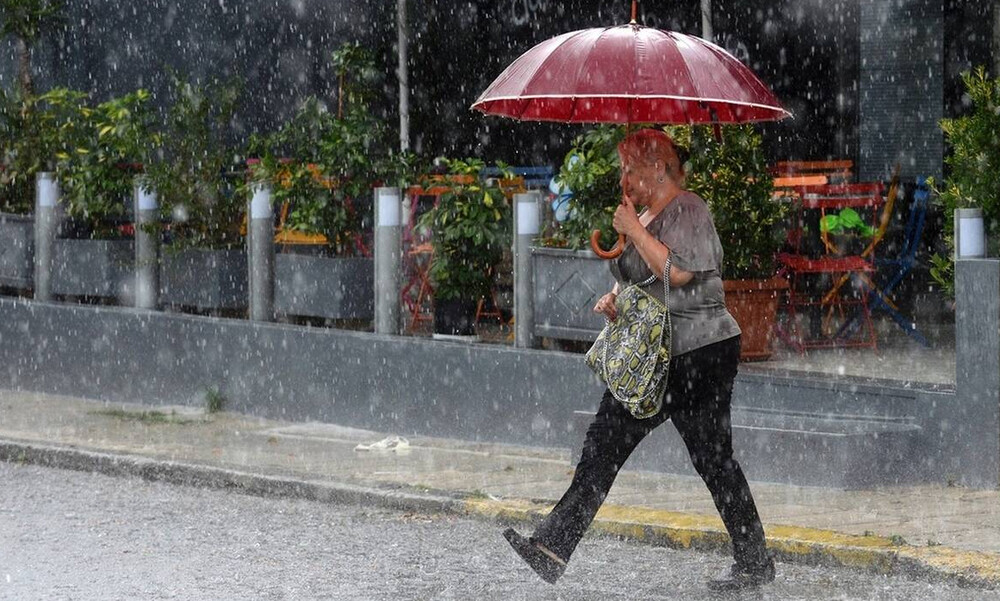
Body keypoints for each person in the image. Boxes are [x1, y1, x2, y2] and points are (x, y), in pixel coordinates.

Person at [502, 128, 774, 591]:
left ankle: (554, 545)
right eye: (622, 168)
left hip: (697, 353)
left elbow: (679, 272)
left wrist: (633, 231)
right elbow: (643, 280)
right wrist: (614, 298)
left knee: (693, 455)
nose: (624, 177)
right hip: (659, 353)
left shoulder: (689, 208)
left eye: (631, 168)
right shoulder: (644, 214)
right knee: (648, 450)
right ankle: (553, 546)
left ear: (659, 168)